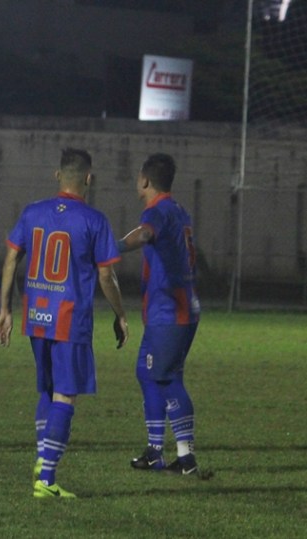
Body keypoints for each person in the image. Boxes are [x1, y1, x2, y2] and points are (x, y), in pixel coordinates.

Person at [0, 147, 128, 498]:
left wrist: (5, 309)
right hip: (70, 320)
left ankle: (42, 457)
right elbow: (106, 277)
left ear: (58, 176)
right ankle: (47, 477)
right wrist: (121, 314)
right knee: (65, 395)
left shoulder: (33, 212)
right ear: (89, 178)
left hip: (36, 316)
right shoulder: (94, 220)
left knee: (47, 389)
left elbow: (10, 258)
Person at [118, 153, 201, 475]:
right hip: (173, 307)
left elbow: (145, 234)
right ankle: (155, 451)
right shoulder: (178, 209)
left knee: (167, 377)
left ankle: (187, 458)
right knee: (146, 372)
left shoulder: (157, 211)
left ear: (145, 181)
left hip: (171, 310)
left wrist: (112, 248)